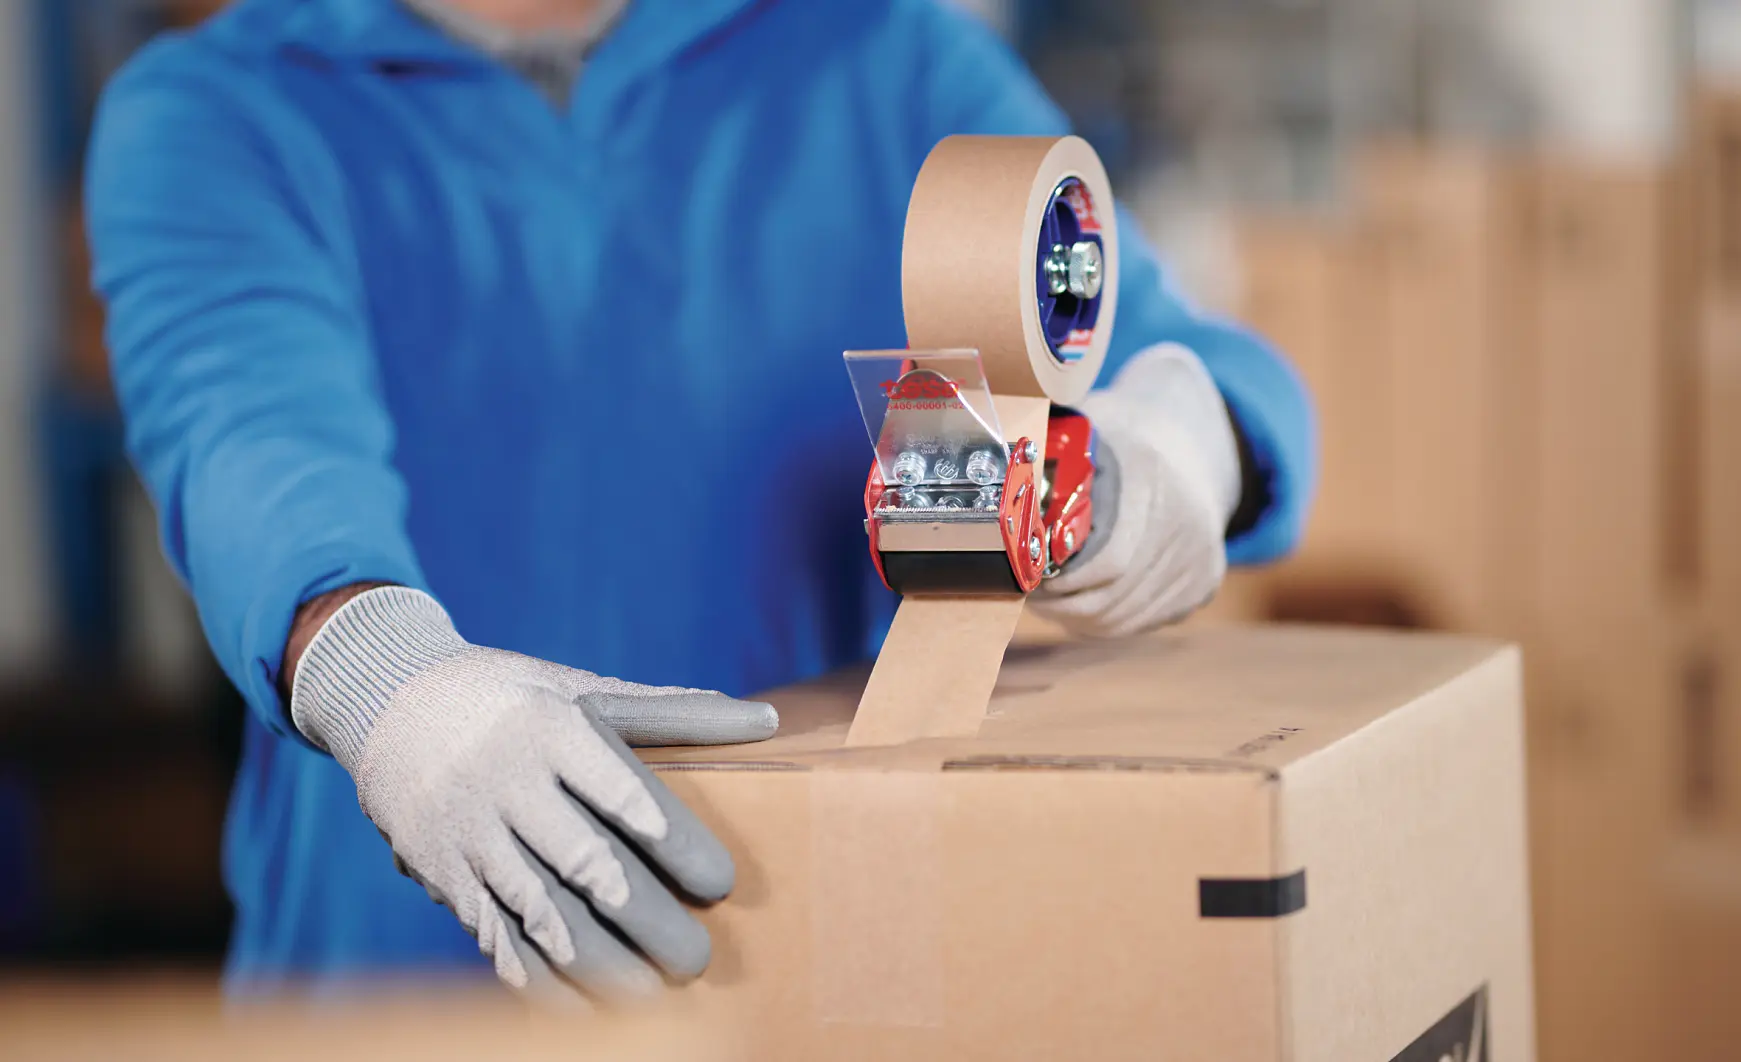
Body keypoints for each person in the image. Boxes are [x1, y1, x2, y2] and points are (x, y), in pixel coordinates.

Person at [86, 0, 1314, 1001]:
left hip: (824, 965)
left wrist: (1181, 450)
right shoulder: (221, 110)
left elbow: (1181, 355)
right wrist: (383, 678)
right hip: (401, 991)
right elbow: (249, 439)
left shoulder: (888, 63)